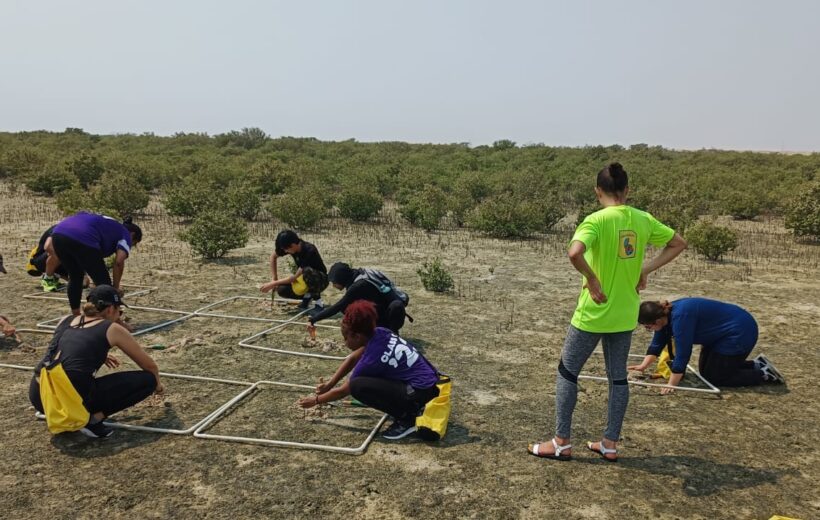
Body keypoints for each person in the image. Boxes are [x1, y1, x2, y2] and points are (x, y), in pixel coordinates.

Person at [528, 162, 686, 462]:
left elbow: (574, 252)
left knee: (567, 373)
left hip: (593, 313)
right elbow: (678, 243)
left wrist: (591, 277)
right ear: (627, 190)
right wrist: (645, 268)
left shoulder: (595, 221)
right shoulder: (643, 219)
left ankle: (561, 442)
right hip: (625, 315)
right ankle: (609, 443)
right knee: (618, 379)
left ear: (597, 191)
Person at [28, 285, 162, 438]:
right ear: (111, 309)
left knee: (75, 379)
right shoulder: (111, 328)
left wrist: (97, 353)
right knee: (148, 380)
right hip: (70, 399)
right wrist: (158, 386)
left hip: (40, 396)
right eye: (120, 311)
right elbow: (149, 365)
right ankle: (93, 420)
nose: (119, 316)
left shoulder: (66, 319)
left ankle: (67, 413)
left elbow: (64, 349)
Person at [298, 300, 440, 440]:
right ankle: (409, 406)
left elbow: (343, 391)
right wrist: (329, 385)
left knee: (358, 386)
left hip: (422, 392)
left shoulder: (372, 358)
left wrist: (316, 400)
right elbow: (353, 358)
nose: (344, 342)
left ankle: (407, 419)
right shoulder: (380, 332)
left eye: (345, 338)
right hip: (430, 383)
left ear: (357, 336)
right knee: (370, 380)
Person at [629, 298, 785, 392]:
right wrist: (643, 366)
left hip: (739, 332)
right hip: (718, 336)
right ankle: (756, 364)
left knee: (715, 377)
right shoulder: (664, 316)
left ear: (656, 321)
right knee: (706, 372)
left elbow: (683, 353)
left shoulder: (680, 317)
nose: (648, 330)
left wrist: (672, 384)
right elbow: (658, 342)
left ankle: (763, 374)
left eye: (648, 327)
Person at [50, 212, 142, 315]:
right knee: (104, 285)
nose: (131, 246)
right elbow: (119, 262)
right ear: (133, 235)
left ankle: (76, 315)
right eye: (134, 243)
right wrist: (115, 288)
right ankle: (106, 319)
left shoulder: (111, 224)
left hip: (58, 234)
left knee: (75, 276)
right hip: (84, 237)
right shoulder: (126, 234)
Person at [308, 262, 410, 334]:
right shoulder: (360, 274)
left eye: (334, 282)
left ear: (341, 279)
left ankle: (389, 333)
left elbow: (337, 307)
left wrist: (314, 319)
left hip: (389, 314)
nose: (333, 285)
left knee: (345, 307)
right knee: (348, 307)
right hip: (381, 308)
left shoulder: (358, 286)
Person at [260, 230, 328, 309]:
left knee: (307, 271)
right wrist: (274, 278)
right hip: (303, 280)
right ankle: (307, 297)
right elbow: (273, 257)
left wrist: (273, 284)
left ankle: (318, 301)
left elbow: (294, 278)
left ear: (292, 245)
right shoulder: (292, 248)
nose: (285, 251)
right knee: (281, 289)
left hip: (320, 280)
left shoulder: (309, 250)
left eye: (286, 249)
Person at [25, 225, 69, 291]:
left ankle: (55, 275)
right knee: (58, 251)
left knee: (83, 283)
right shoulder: (59, 229)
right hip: (39, 261)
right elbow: (48, 247)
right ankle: (48, 279)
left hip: (59, 260)